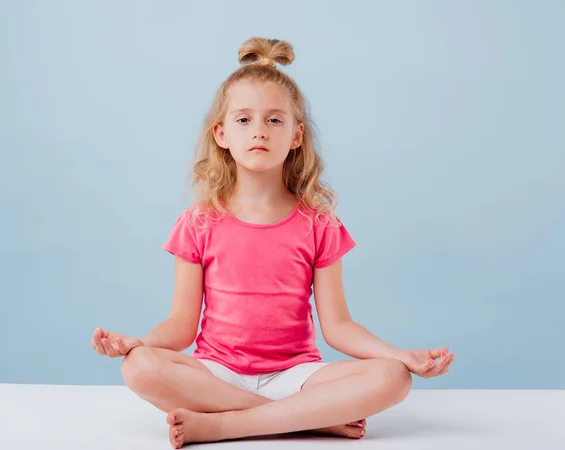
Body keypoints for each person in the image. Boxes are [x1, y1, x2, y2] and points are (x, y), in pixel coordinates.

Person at [91, 37, 455, 448]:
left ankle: (228, 425)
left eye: (274, 120)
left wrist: (400, 354)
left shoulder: (318, 224)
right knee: (138, 367)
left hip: (296, 376)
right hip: (216, 375)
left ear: (297, 136)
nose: (259, 131)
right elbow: (180, 326)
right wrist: (138, 343)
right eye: (244, 120)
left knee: (392, 377)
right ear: (221, 134)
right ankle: (308, 420)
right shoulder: (198, 222)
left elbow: (338, 326)